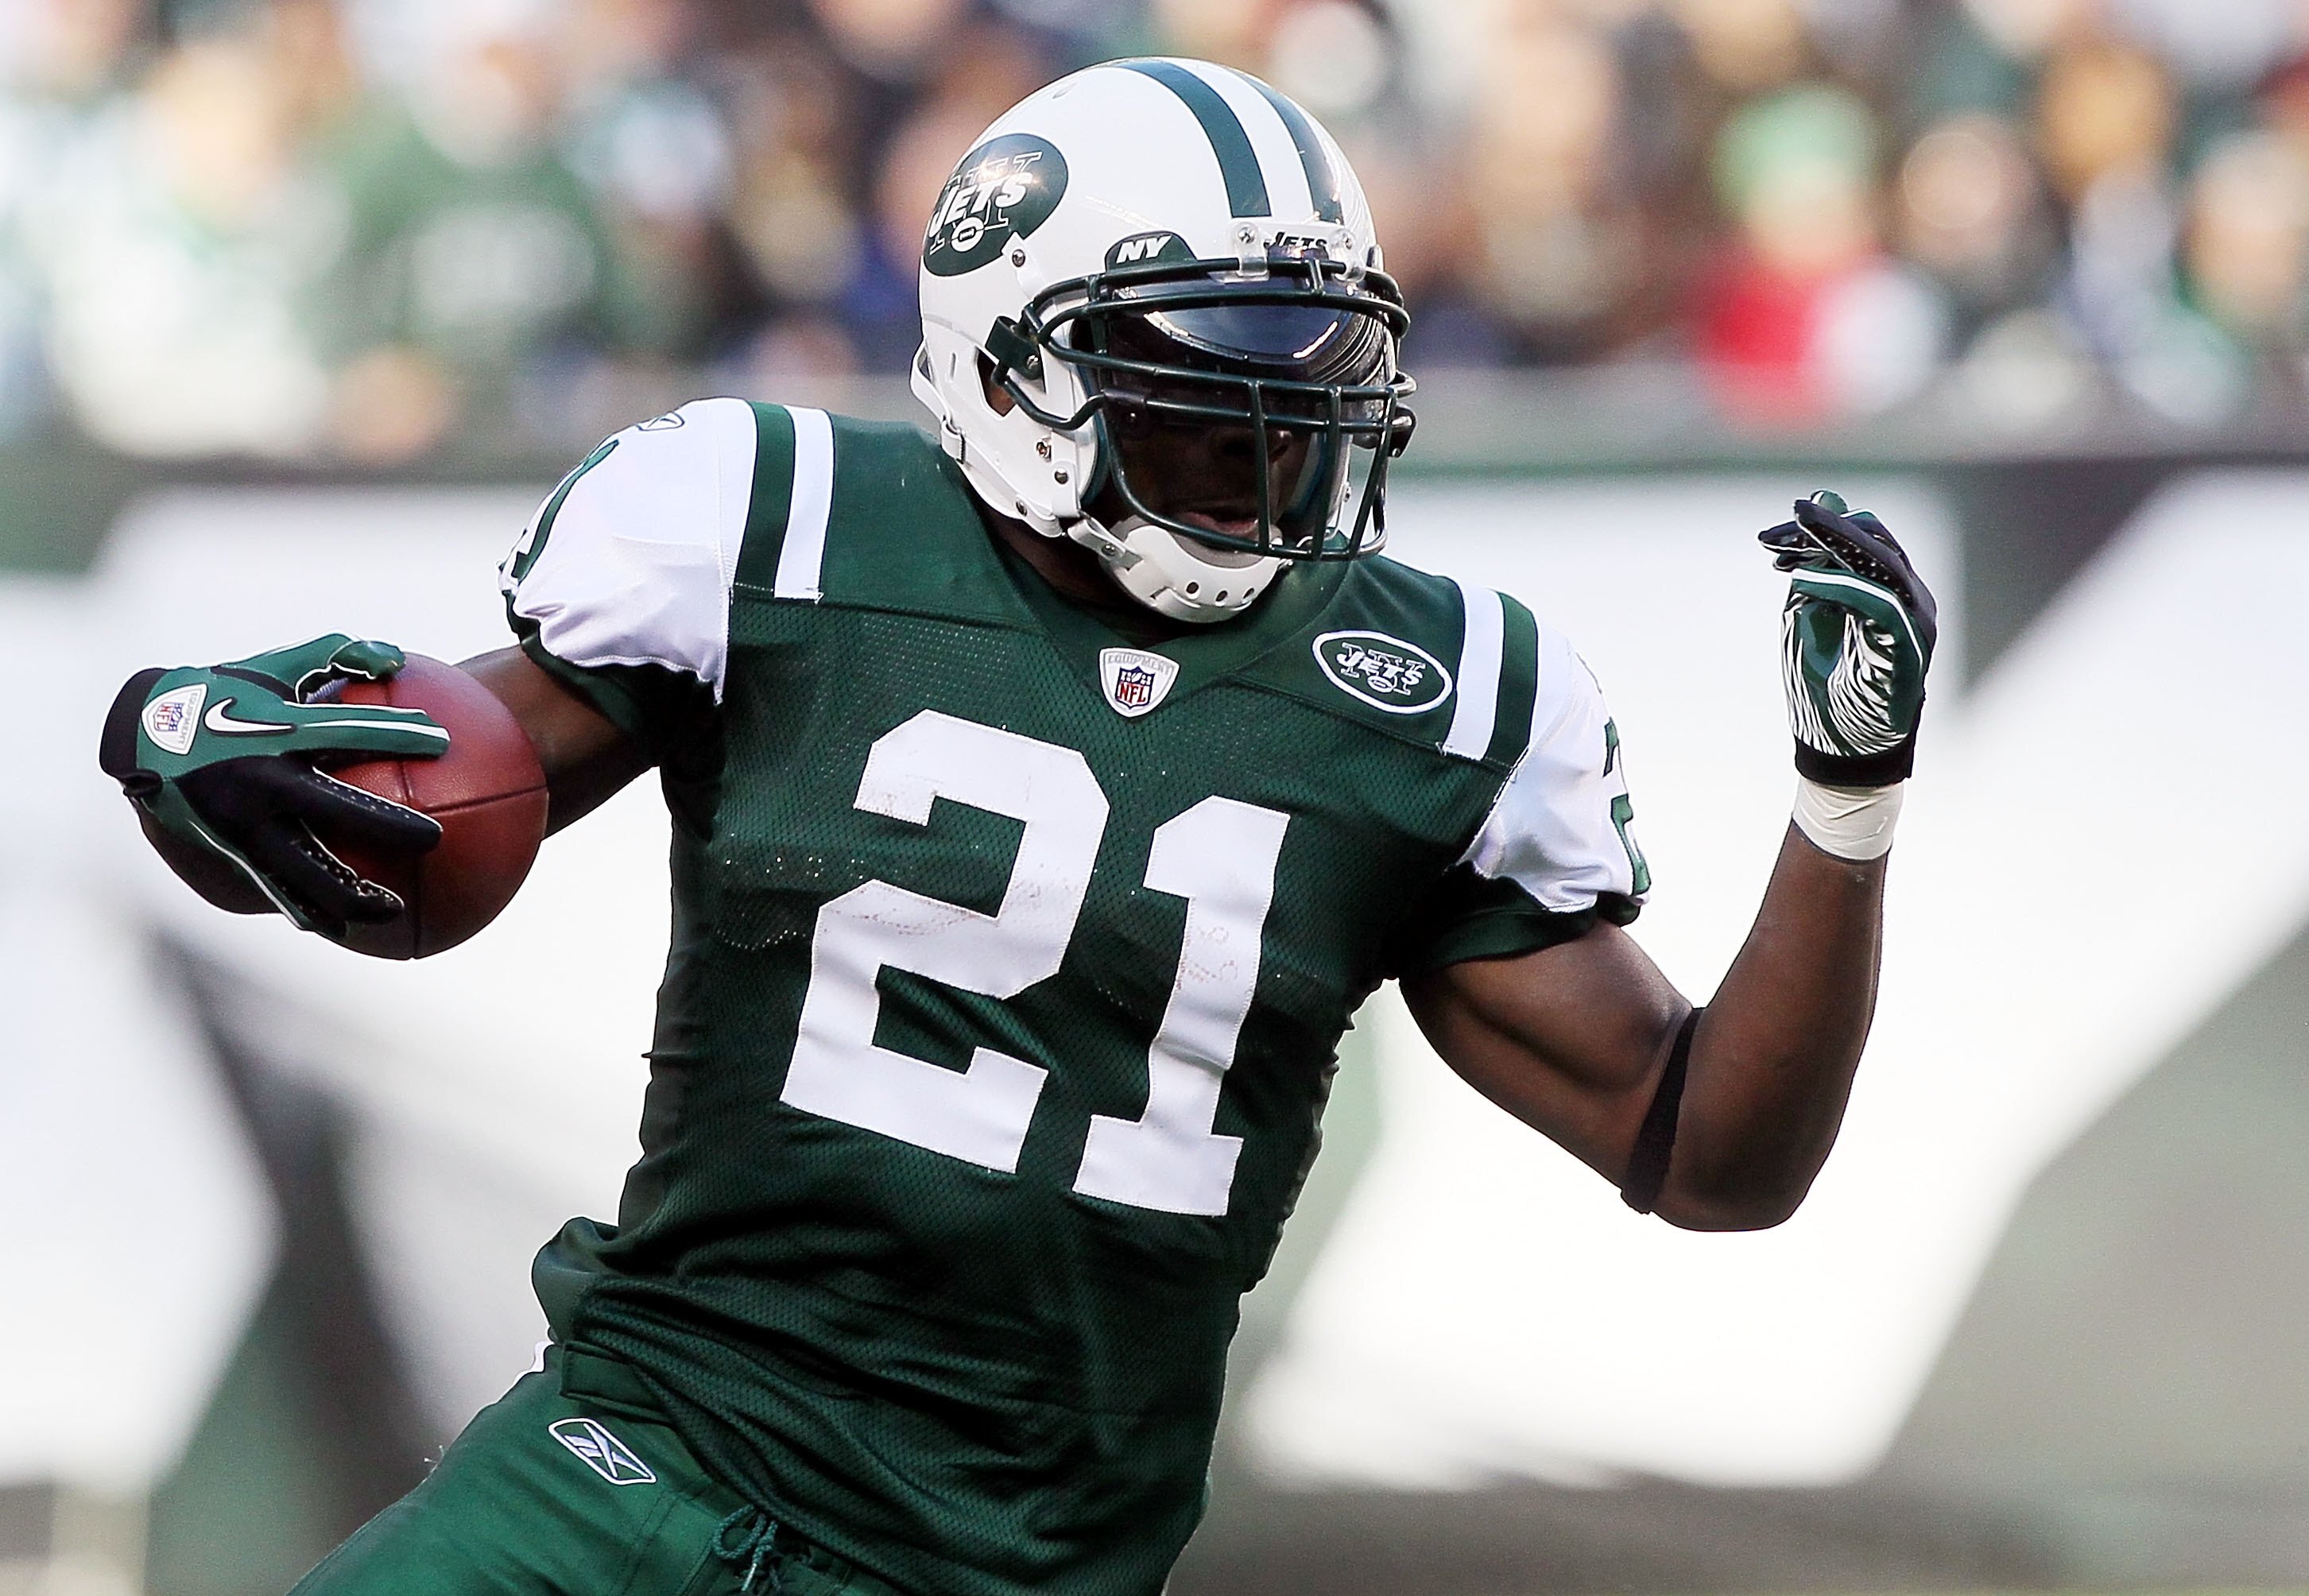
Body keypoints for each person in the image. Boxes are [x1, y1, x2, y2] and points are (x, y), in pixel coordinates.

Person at [99, 58, 1935, 1596]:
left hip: (1005, 1565)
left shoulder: (1440, 693)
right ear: (1008, 369)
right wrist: (229, 763)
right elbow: (423, 810)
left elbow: (1709, 1149)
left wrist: (1843, 809)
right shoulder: (785, 525)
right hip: (634, 1467)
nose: (1272, 456)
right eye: (1203, 400)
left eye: (1306, 394)